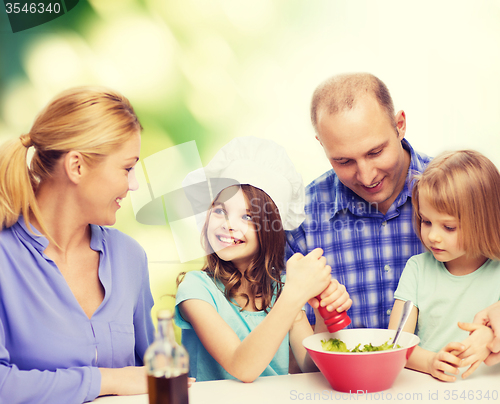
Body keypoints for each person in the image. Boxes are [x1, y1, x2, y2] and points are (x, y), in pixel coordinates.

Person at [0, 87, 155, 403]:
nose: (134, 184)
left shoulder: (130, 257)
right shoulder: (5, 260)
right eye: (127, 168)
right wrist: (107, 380)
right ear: (77, 166)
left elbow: (150, 371)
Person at [174, 137, 352, 382]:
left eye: (247, 216)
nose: (228, 224)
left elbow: (311, 369)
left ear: (271, 229)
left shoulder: (281, 288)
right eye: (219, 210)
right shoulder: (196, 289)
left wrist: (323, 314)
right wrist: (294, 294)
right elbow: (242, 368)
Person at [286, 73, 432, 328]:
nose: (366, 177)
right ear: (322, 145)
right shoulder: (299, 218)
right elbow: (289, 346)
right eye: (343, 161)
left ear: (400, 125)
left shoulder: (464, 192)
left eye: (375, 152)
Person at [388, 150, 500, 382]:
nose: (433, 237)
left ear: (485, 221)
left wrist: (490, 338)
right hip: (431, 390)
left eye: (448, 227)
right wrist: (429, 362)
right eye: (426, 221)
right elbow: (396, 343)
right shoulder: (417, 269)